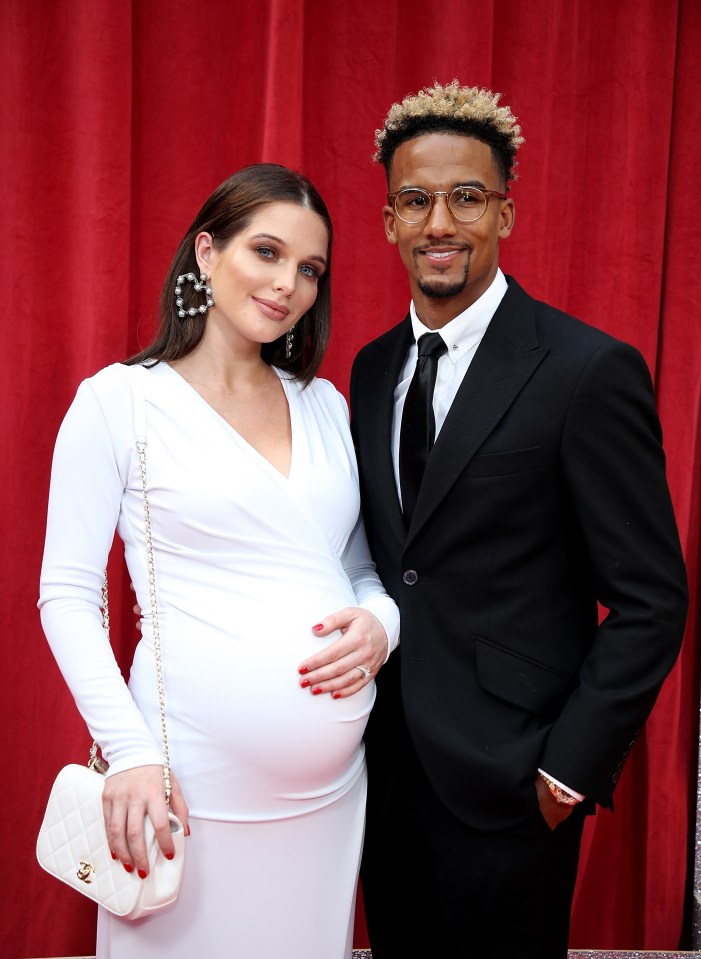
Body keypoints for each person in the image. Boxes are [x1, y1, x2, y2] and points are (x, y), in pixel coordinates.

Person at [301, 81, 689, 958]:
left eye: (466, 197)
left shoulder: (586, 370)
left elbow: (650, 598)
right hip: (381, 772)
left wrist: (567, 769)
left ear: (504, 213)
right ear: (389, 221)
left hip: (515, 784)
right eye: (415, 200)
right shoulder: (367, 371)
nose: (440, 221)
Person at [38, 162, 399, 959]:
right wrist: (130, 751)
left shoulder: (325, 405)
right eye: (265, 252)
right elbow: (65, 592)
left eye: (310, 269)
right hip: (183, 789)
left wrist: (383, 621)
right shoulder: (119, 401)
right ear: (206, 252)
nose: (288, 286)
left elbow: (363, 570)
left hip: (328, 803)